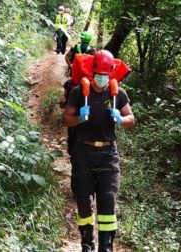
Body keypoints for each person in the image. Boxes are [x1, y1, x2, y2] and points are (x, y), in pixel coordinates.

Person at [63, 50, 135, 252]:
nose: (102, 77)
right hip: (83, 151)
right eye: (99, 73)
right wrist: (78, 119)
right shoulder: (79, 92)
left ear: (111, 72)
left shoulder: (117, 94)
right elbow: (66, 118)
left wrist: (121, 119)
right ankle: (87, 243)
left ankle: (106, 246)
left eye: (106, 74)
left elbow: (131, 118)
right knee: (83, 199)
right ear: (93, 70)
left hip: (108, 154)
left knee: (107, 199)